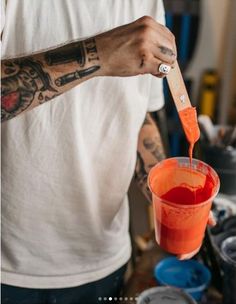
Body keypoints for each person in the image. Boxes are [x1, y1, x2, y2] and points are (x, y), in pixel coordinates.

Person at [1, 1, 215, 303]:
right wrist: (98, 53)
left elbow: (140, 113)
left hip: (105, 256)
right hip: (11, 266)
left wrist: (166, 197)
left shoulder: (146, 3)